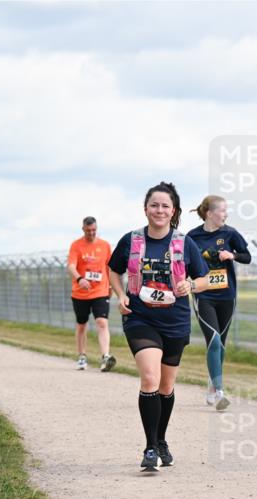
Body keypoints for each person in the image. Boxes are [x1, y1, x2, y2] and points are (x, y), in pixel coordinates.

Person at [108, 182, 209, 471]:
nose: (159, 210)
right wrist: (121, 294)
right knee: (150, 379)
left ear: (173, 211)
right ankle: (150, 448)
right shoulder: (131, 240)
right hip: (140, 318)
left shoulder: (184, 242)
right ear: (146, 209)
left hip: (175, 321)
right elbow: (113, 270)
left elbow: (204, 279)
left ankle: (161, 439)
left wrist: (190, 283)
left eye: (165, 206)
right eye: (154, 205)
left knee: (166, 386)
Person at [187, 195, 251, 410]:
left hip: (227, 295)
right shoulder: (192, 237)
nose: (226, 214)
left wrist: (231, 255)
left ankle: (213, 384)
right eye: (222, 210)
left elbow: (247, 256)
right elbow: (183, 264)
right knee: (213, 341)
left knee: (220, 344)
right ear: (209, 213)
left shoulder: (230, 233)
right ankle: (221, 391)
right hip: (203, 295)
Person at [67, 216, 116, 372]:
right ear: (83, 229)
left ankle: (105, 357)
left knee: (102, 322)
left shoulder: (105, 246)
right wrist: (79, 278)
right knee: (82, 325)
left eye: (94, 230)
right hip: (80, 292)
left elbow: (111, 268)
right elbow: (71, 266)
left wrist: (112, 287)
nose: (91, 233)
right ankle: (82, 356)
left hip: (100, 291)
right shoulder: (76, 245)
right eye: (88, 231)